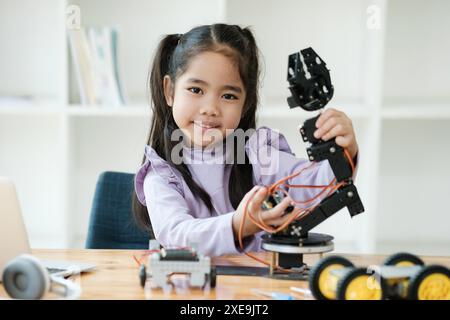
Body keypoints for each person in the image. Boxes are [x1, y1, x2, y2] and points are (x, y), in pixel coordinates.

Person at [132, 24, 359, 257]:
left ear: (246, 103)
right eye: (196, 90)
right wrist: (239, 224)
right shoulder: (161, 174)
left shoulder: (257, 153)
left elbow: (316, 185)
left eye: (228, 95)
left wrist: (344, 151)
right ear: (169, 91)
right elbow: (176, 235)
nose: (210, 109)